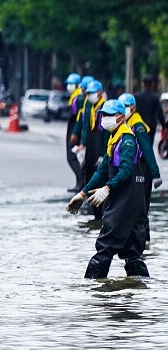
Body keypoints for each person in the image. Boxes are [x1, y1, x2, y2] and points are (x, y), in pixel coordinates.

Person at [67, 99, 149, 279]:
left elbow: (126, 170)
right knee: (132, 254)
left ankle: (92, 289)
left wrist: (107, 189)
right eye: (103, 115)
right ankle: (139, 292)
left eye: (109, 115)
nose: (105, 118)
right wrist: (83, 194)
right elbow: (102, 171)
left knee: (105, 247)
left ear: (120, 117)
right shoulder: (114, 138)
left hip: (126, 202)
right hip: (126, 200)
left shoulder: (127, 141)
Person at [119, 93, 163, 243]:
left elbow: (147, 149)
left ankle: (144, 241)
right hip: (134, 170)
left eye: (125, 107)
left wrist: (156, 173)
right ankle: (138, 241)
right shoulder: (125, 125)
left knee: (142, 208)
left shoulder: (138, 127)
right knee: (134, 207)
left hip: (143, 171)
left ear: (133, 108)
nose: (122, 110)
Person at [75, 80, 108, 218]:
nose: (89, 96)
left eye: (92, 93)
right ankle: (96, 216)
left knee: (100, 182)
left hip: (100, 148)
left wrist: (102, 154)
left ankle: (102, 215)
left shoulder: (106, 108)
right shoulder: (89, 106)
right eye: (88, 93)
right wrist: (83, 145)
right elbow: (85, 127)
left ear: (100, 93)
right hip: (90, 149)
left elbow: (106, 134)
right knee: (89, 179)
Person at [65, 73, 84, 192]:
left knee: (71, 157)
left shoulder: (79, 98)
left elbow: (78, 117)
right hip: (73, 129)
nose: (69, 86)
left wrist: (75, 133)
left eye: (71, 84)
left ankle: (81, 182)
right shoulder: (74, 97)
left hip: (75, 130)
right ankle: (80, 182)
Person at [135, 74, 167, 146]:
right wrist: (164, 127)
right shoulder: (155, 97)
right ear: (152, 84)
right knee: (149, 146)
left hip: (139, 125)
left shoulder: (137, 96)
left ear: (143, 84)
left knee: (139, 145)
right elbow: (160, 113)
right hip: (151, 126)